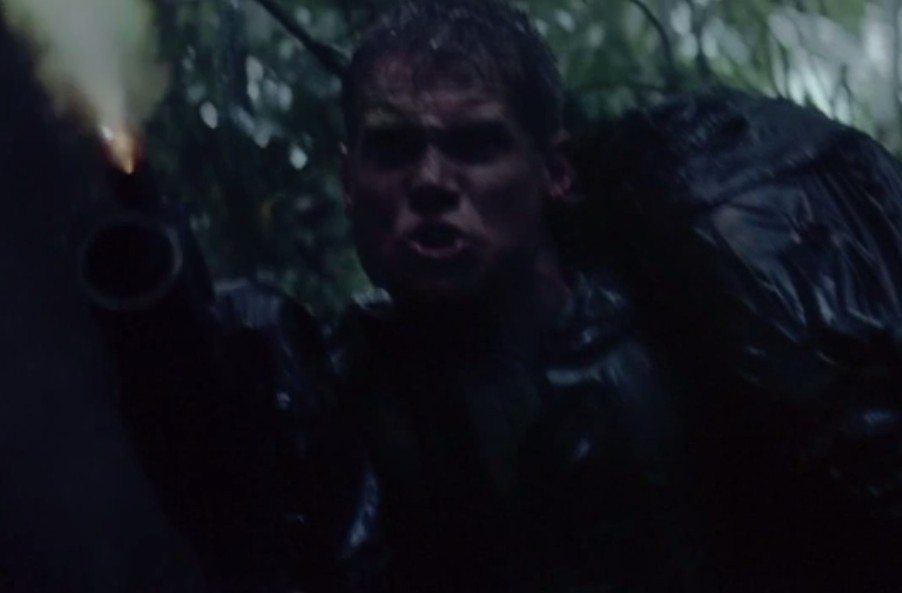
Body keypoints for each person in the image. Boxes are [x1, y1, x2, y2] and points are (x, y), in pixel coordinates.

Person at [82, 1, 695, 592]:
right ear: (349, 180)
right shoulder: (328, 400)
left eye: (476, 145)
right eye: (394, 149)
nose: (430, 182)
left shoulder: (671, 354)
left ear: (555, 171)